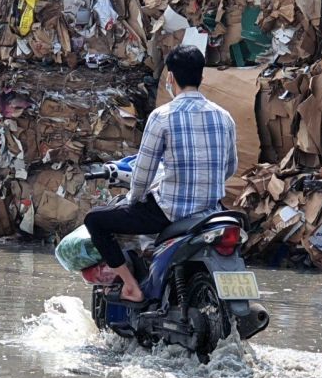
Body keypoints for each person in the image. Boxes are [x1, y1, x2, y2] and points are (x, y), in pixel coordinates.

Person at [83, 45, 238, 304]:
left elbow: (143, 174)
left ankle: (131, 286)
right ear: (201, 77)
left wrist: (132, 200)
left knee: (95, 220)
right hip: (212, 214)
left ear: (170, 77)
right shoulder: (224, 117)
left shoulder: (162, 116)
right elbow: (230, 167)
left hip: (169, 214)